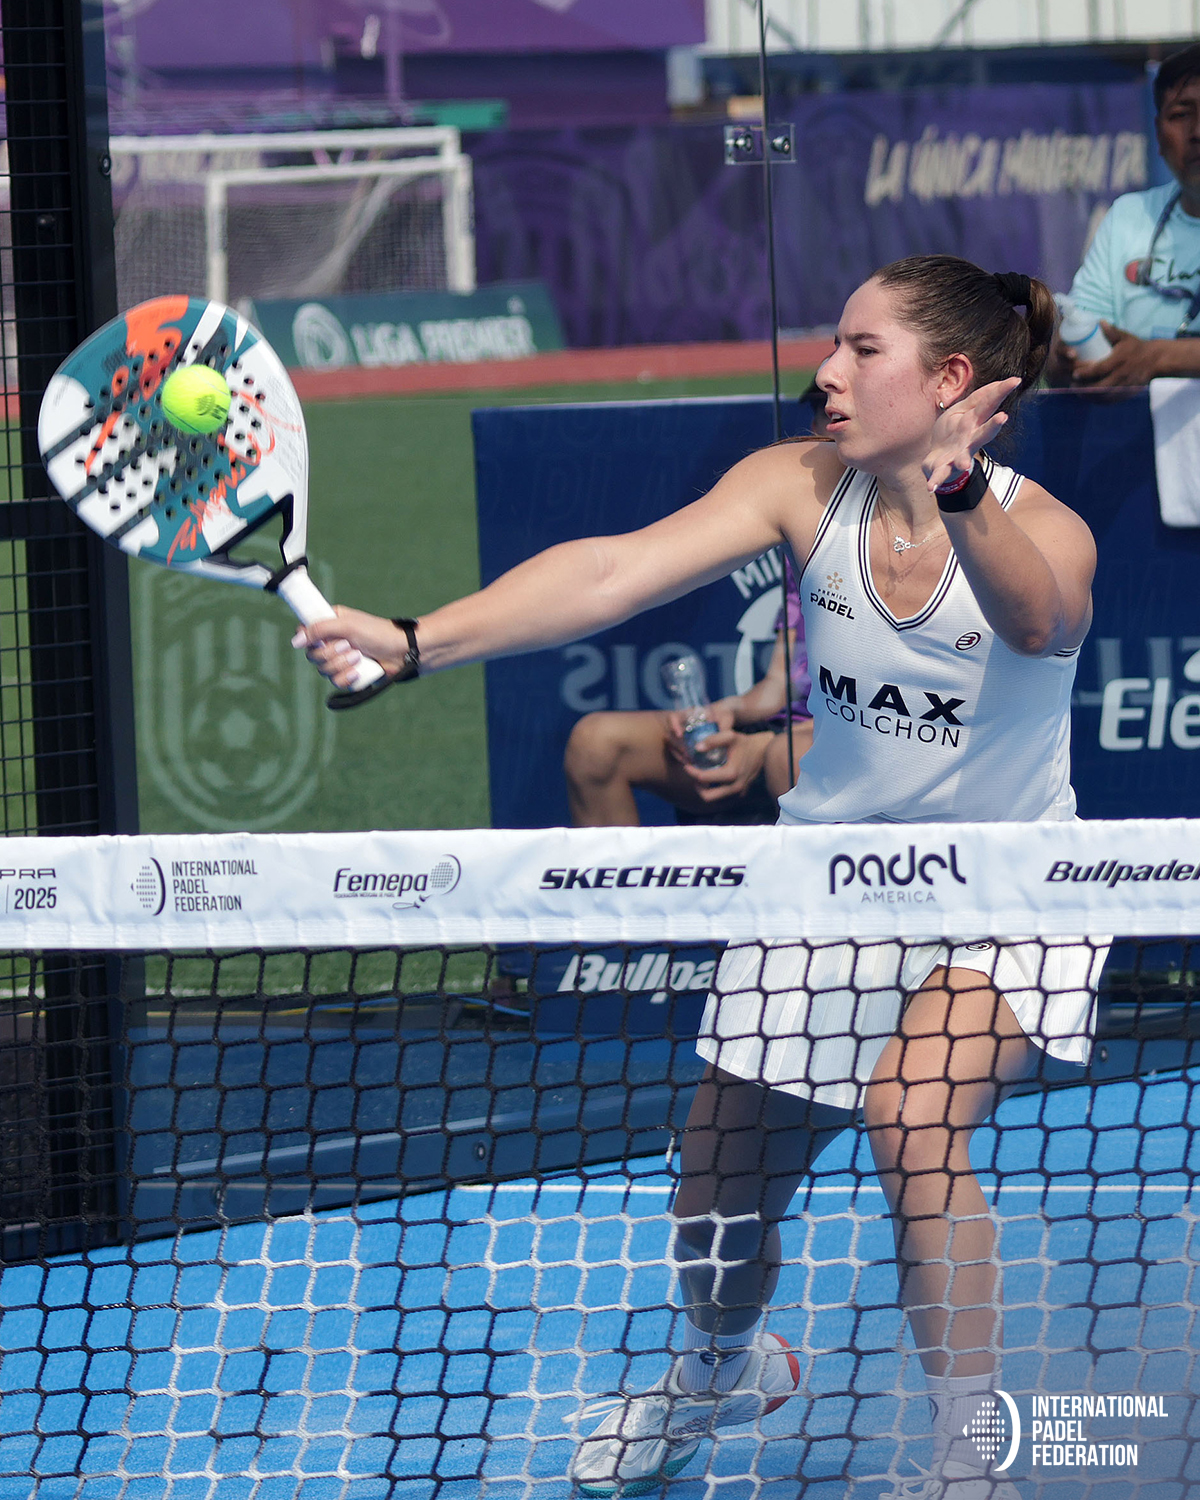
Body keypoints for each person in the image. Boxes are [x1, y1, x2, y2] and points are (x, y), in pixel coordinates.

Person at [295, 255, 1102, 1500]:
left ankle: (966, 1458)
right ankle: (720, 1368)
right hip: (832, 882)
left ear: (951, 380)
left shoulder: (1047, 527)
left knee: (912, 1115)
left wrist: (959, 490)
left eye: (862, 350)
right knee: (716, 1201)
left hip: (1006, 891)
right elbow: (609, 571)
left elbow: (1040, 619)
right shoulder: (800, 485)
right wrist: (413, 642)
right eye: (832, 344)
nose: (826, 372)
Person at [563, 566, 812, 827]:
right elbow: (781, 683)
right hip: (778, 732)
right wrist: (725, 710)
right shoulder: (801, 558)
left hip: (827, 738)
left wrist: (764, 746)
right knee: (595, 743)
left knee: (787, 758)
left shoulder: (843, 561)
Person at [1051, 41, 1200, 387]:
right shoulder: (1128, 217)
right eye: (1181, 115)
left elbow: (1148, 358)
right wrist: (1068, 356)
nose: (1197, 132)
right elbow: (1080, 331)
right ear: (1158, 134)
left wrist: (1155, 358)